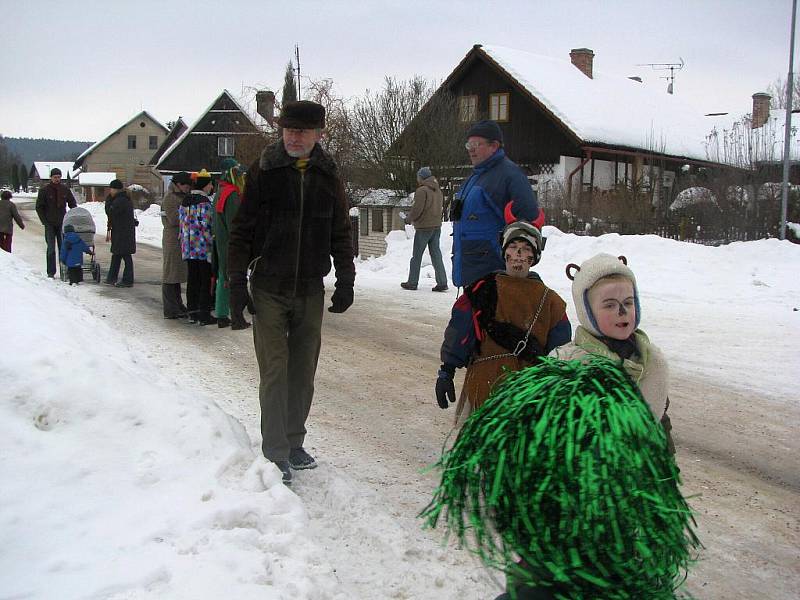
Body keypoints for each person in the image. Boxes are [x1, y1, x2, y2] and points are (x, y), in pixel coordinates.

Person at [227, 100, 356, 485]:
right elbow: (241, 230)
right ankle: (275, 451)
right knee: (275, 371)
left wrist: (346, 277)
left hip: (309, 289)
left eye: (301, 131)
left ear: (319, 134)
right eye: (288, 130)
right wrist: (235, 281)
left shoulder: (328, 175)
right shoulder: (264, 171)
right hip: (268, 285)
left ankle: (294, 441)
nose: (293, 137)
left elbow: (340, 231)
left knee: (303, 372)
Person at [436, 221, 571, 417]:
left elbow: (561, 352)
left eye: (525, 249)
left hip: (529, 395)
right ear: (504, 252)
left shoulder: (551, 302)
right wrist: (446, 370)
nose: (518, 255)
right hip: (485, 386)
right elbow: (460, 330)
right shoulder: (482, 290)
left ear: (533, 257)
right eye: (513, 247)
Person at [550, 253, 674, 452]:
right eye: (610, 305)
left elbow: (660, 424)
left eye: (628, 302)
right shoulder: (567, 363)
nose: (622, 311)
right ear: (586, 311)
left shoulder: (651, 362)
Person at [450, 120, 543, 288]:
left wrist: (517, 265)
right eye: (468, 144)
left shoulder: (510, 176)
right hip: (473, 270)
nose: (471, 149)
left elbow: (528, 225)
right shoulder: (475, 178)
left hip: (495, 273)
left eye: (476, 144)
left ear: (494, 145)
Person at [400, 166, 449, 292]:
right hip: (436, 226)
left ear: (421, 177)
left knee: (416, 256)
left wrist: (408, 219)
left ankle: (412, 282)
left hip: (424, 227)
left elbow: (417, 209)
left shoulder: (422, 190)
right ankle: (442, 282)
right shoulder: (438, 190)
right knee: (436, 255)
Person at [213, 159, 247, 329]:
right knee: (231, 276)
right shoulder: (231, 194)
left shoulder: (221, 191)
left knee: (223, 275)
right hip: (230, 241)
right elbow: (235, 222)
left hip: (221, 239)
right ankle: (234, 315)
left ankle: (221, 312)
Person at [179, 169, 216, 325]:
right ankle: (204, 313)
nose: (211, 187)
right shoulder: (205, 203)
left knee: (192, 279)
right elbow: (208, 225)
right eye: (210, 185)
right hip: (202, 248)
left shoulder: (185, 201)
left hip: (188, 247)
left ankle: (192, 311)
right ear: (206, 185)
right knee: (204, 280)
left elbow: (181, 224)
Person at [35, 167, 76, 277]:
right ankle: (51, 272)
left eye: (59, 177)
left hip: (62, 223)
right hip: (49, 223)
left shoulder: (65, 189)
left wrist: (73, 215)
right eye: (55, 177)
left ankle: (64, 271)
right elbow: (39, 207)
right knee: (51, 249)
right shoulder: (44, 190)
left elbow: (72, 204)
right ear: (51, 178)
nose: (57, 179)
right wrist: (44, 221)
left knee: (63, 247)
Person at [161, 172, 190, 319]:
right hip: (172, 239)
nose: (187, 188)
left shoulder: (180, 196)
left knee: (177, 274)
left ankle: (178, 304)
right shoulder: (170, 198)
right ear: (178, 184)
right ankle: (170, 308)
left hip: (180, 239)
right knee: (170, 273)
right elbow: (174, 219)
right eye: (186, 185)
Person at [104, 179, 136, 287]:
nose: (110, 191)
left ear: (116, 189)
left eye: (111, 189)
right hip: (123, 231)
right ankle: (112, 277)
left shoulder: (120, 200)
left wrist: (108, 200)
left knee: (125, 255)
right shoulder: (123, 198)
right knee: (117, 255)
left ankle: (127, 280)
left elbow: (110, 212)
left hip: (122, 232)